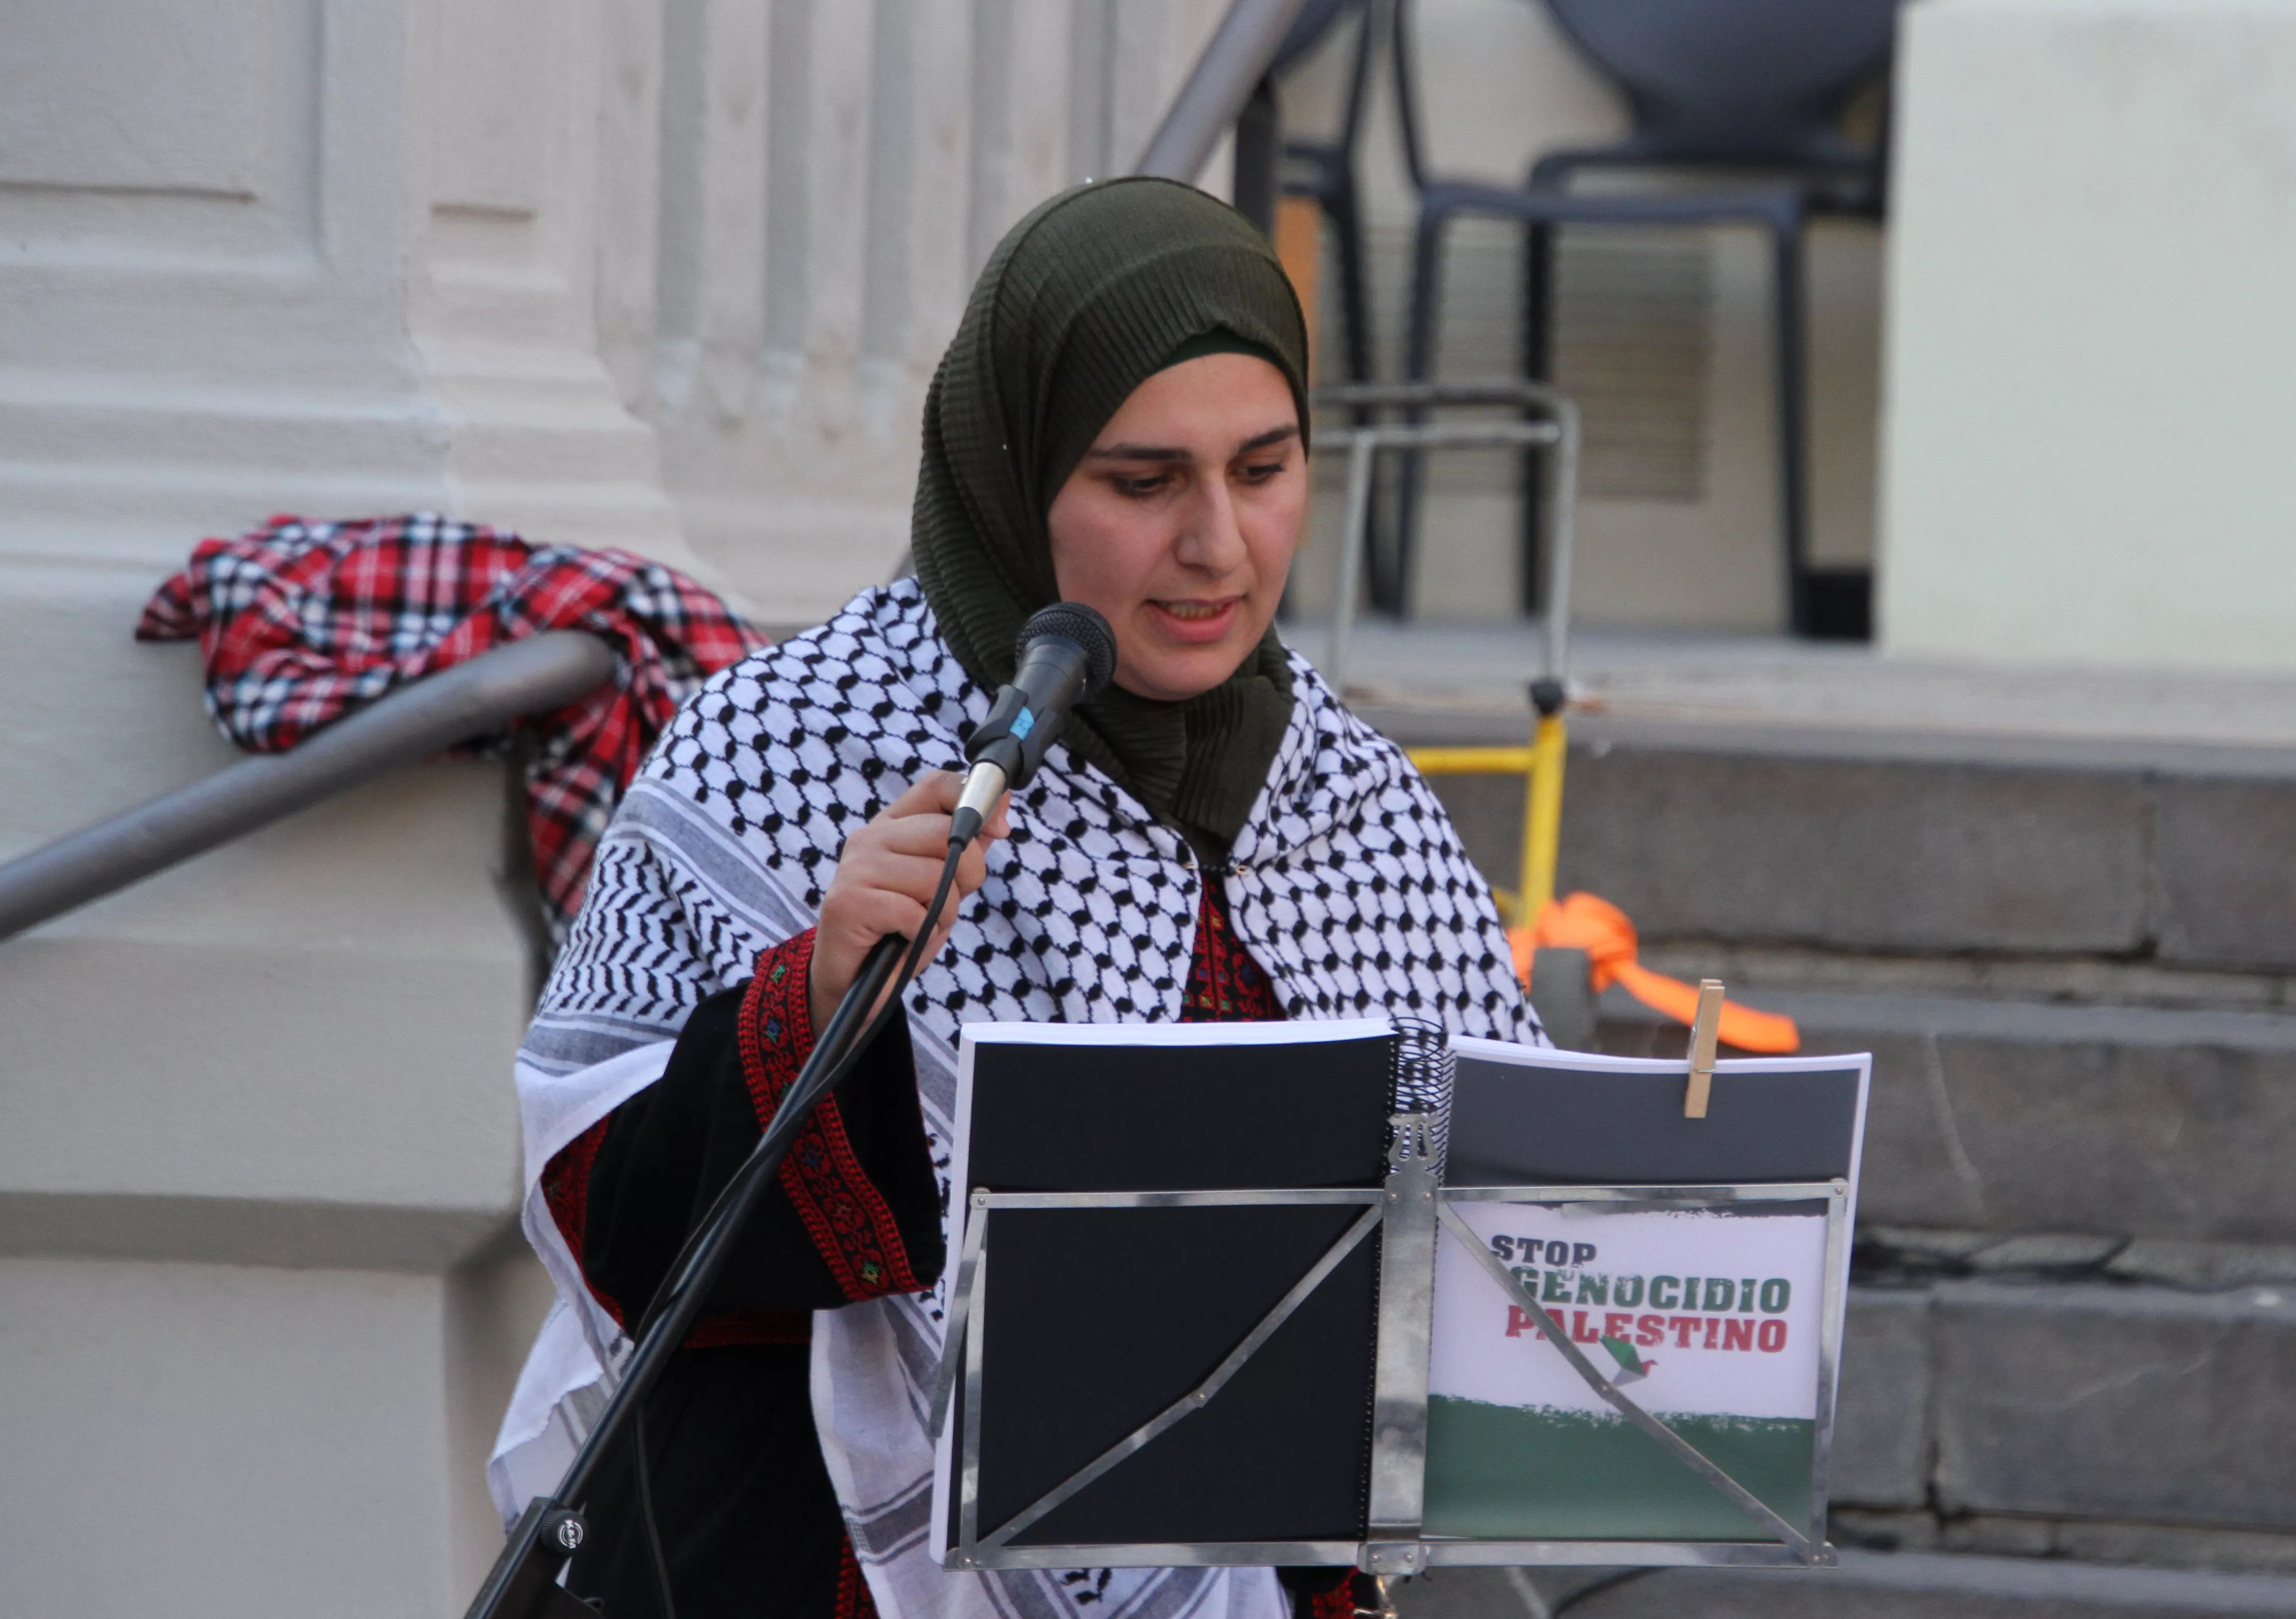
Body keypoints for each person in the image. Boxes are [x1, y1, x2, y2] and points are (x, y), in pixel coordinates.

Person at [490, 178, 1543, 1619]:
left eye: (1264, 467)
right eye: (1141, 480)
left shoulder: (1358, 803)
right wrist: (819, 991)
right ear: (1011, 473)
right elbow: (601, 1209)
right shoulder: (785, 746)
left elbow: (1497, 1250)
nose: (1219, 546)